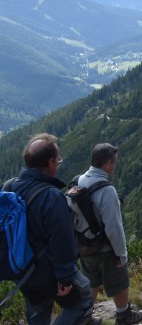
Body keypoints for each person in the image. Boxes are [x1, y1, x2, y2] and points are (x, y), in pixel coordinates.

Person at [6, 133, 100, 324]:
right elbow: (61, 240)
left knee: (38, 311)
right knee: (82, 300)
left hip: (21, 269)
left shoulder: (10, 186)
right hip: (46, 270)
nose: (58, 164)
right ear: (50, 163)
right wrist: (65, 277)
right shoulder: (51, 196)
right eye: (58, 160)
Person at [75, 143, 142, 324]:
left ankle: (85, 317)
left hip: (84, 245)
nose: (114, 166)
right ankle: (123, 315)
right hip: (104, 248)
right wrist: (121, 254)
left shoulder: (79, 181)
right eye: (114, 162)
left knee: (91, 282)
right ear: (108, 163)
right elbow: (114, 227)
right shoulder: (107, 191)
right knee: (119, 281)